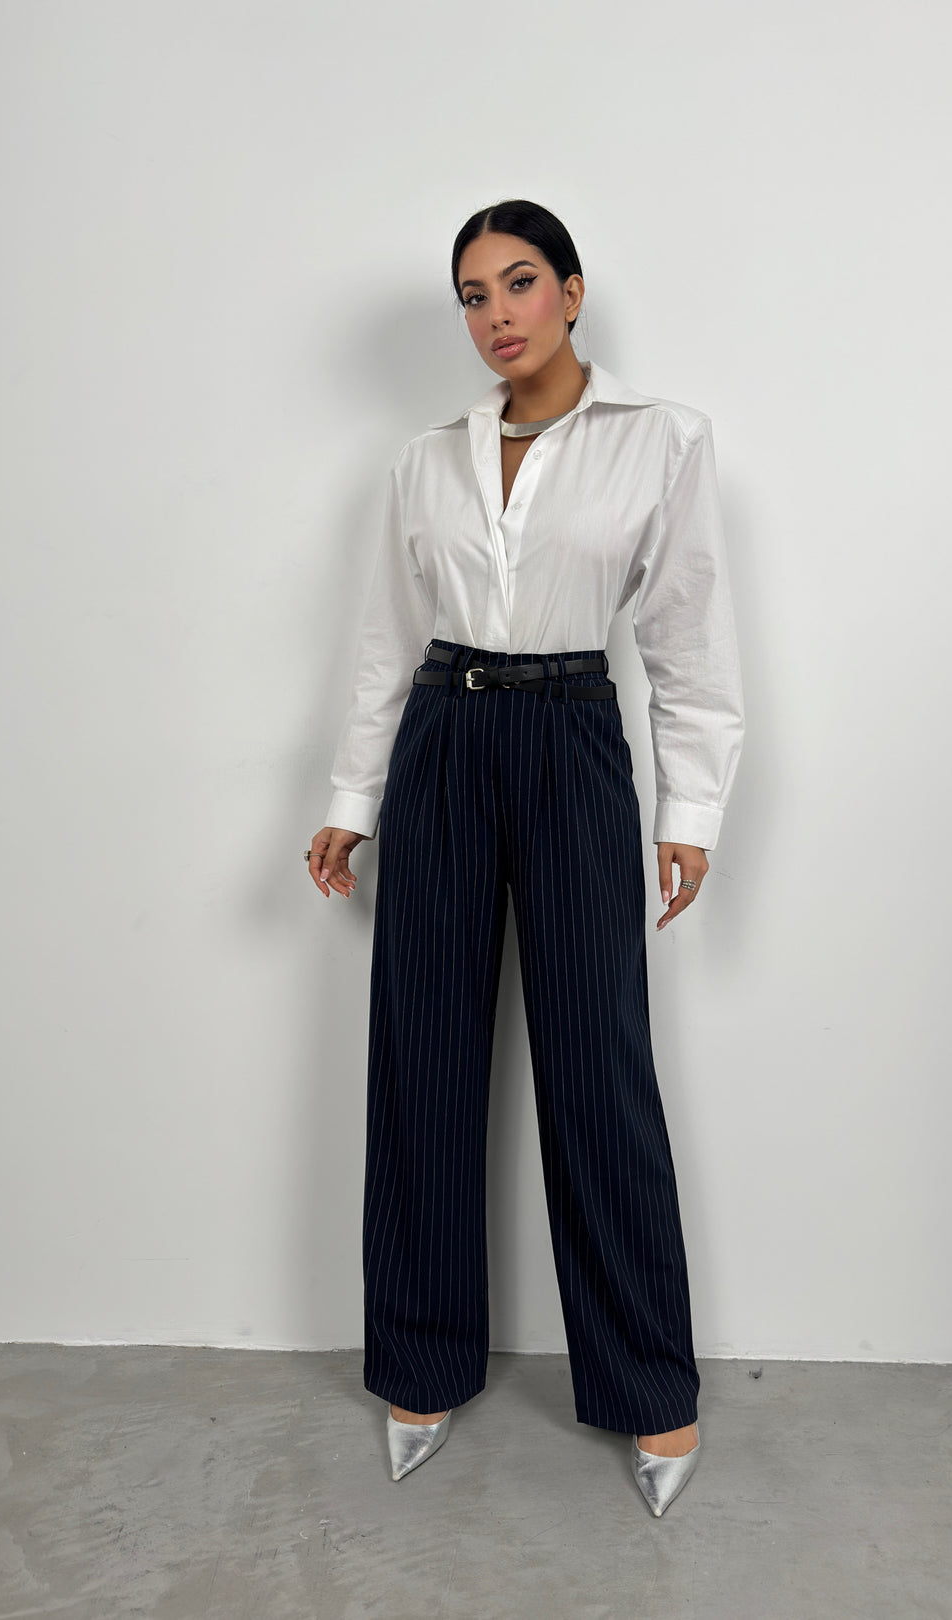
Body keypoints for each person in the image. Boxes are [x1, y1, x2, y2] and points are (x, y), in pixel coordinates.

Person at [305, 198, 745, 1518]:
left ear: (571, 290)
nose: (496, 315)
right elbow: (387, 641)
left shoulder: (661, 440)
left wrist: (689, 812)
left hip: (571, 737)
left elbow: (688, 639)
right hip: (443, 736)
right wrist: (352, 797)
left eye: (518, 283)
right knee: (423, 1056)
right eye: (473, 295)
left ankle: (650, 1385)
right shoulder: (424, 462)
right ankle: (420, 1365)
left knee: (598, 1067)